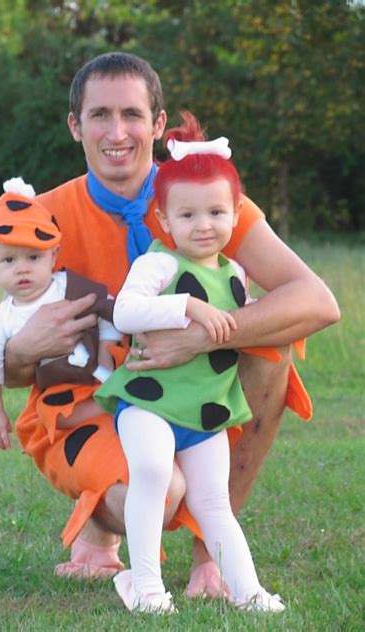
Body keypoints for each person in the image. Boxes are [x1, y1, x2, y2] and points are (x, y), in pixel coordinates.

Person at [5, 52, 340, 595]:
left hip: (193, 389)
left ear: (158, 126)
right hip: (95, 396)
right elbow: (9, 363)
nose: (118, 132)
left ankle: (213, 555)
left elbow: (318, 301)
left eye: (133, 115)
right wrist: (23, 350)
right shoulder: (39, 216)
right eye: (100, 115)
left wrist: (202, 333)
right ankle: (101, 526)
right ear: (75, 126)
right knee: (158, 494)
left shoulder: (203, 201)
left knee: (273, 347)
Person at [95, 110, 286, 613]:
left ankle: (251, 594)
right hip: (148, 404)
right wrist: (189, 307)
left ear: (236, 210)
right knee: (154, 473)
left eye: (216, 213)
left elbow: (252, 328)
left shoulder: (237, 275)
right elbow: (125, 310)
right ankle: (146, 587)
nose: (203, 226)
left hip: (204, 413)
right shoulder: (159, 262)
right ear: (163, 219)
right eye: (187, 216)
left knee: (213, 502)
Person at [0, 177, 122, 450]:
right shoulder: (3, 319)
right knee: (54, 414)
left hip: (102, 372)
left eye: (33, 257)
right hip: (61, 391)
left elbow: (110, 309)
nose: (22, 269)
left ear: (53, 256)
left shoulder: (68, 287)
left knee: (121, 388)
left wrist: (105, 354)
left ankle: (115, 402)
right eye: (9, 260)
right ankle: (111, 408)